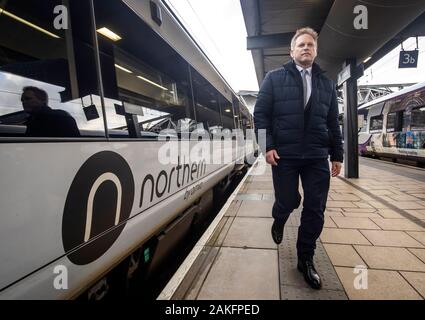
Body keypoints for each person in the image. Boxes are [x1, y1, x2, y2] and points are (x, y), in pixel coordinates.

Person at [254, 27, 343, 290]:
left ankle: (306, 259)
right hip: (285, 155)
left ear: (315, 51)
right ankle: (279, 217)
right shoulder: (273, 78)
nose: (306, 48)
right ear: (292, 51)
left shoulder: (327, 84)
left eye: (310, 45)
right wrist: (265, 147)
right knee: (288, 200)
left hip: (316, 155)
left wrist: (337, 154)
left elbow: (332, 123)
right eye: (301, 44)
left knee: (315, 208)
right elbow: (260, 116)